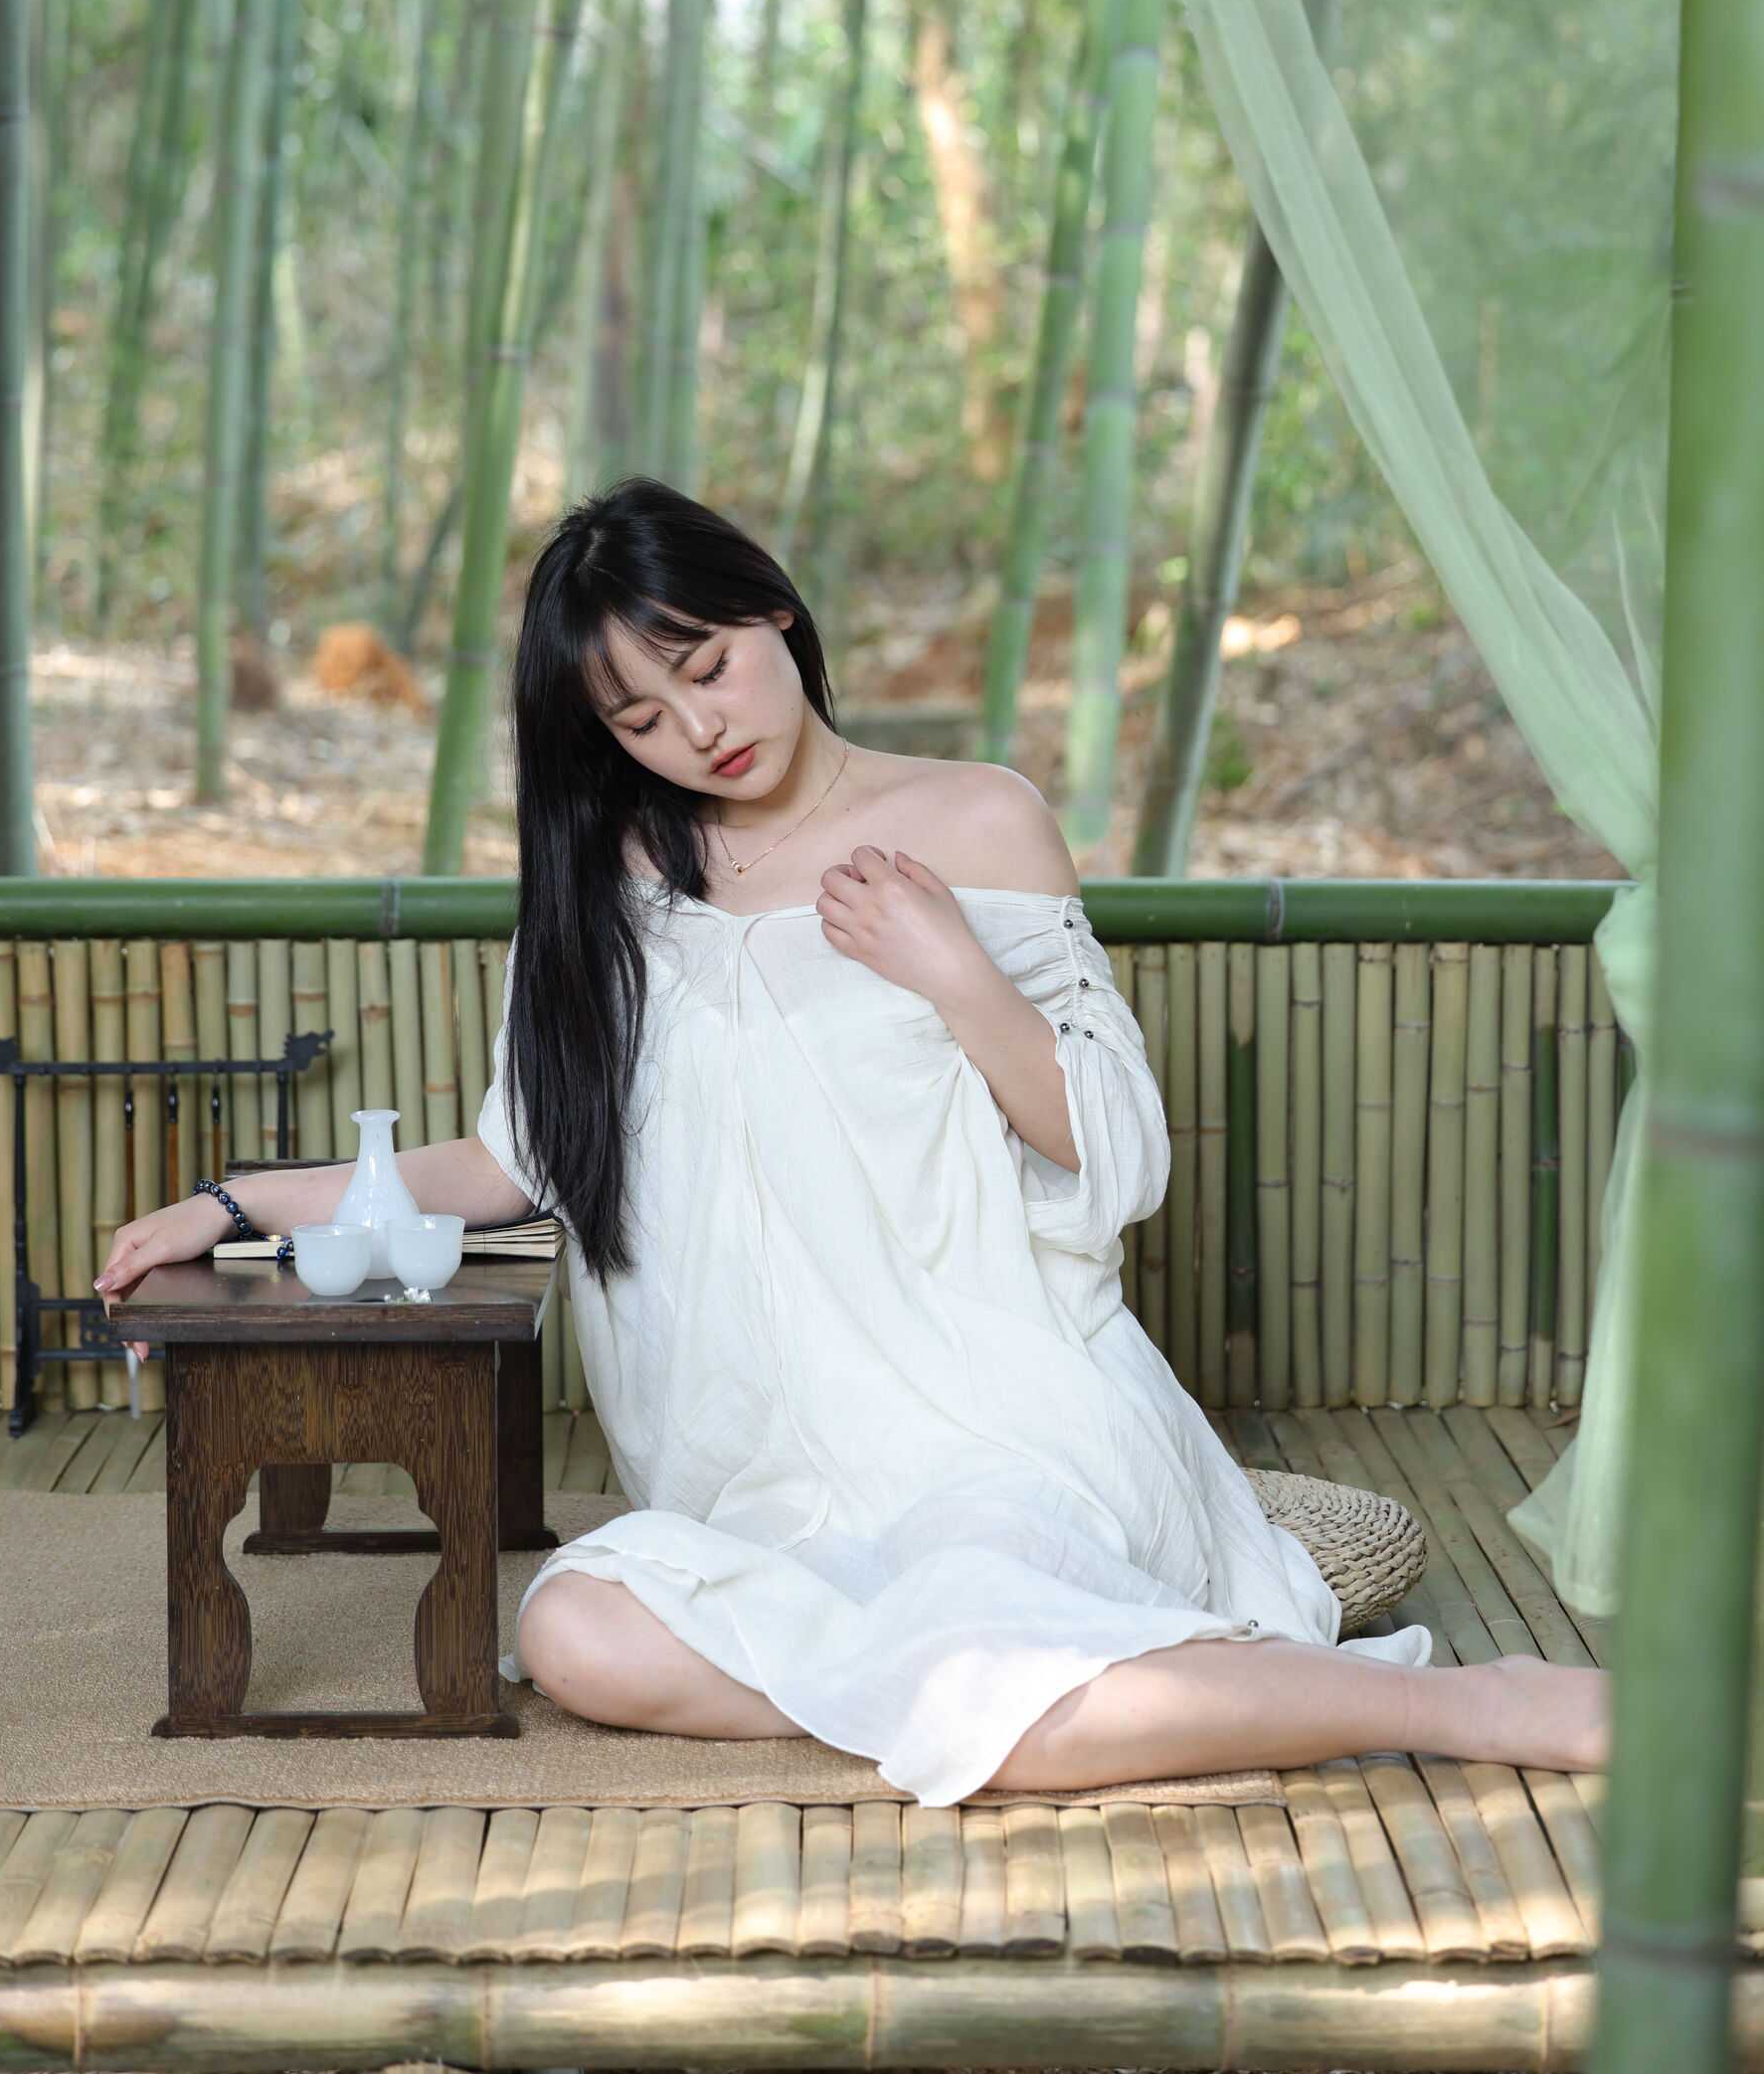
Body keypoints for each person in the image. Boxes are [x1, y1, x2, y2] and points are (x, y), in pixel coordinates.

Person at [96, 477, 1610, 1803]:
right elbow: (507, 1167)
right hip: (756, 1473)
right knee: (575, 1632)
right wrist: (237, 1203)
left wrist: (954, 968)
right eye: (641, 718)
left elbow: (1117, 1155)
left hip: (993, 1420)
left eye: (709, 667)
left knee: (969, 1619)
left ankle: (1455, 1708)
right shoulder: (604, 890)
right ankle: (959, 1684)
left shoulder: (975, 819)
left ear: (775, 610)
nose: (700, 729)